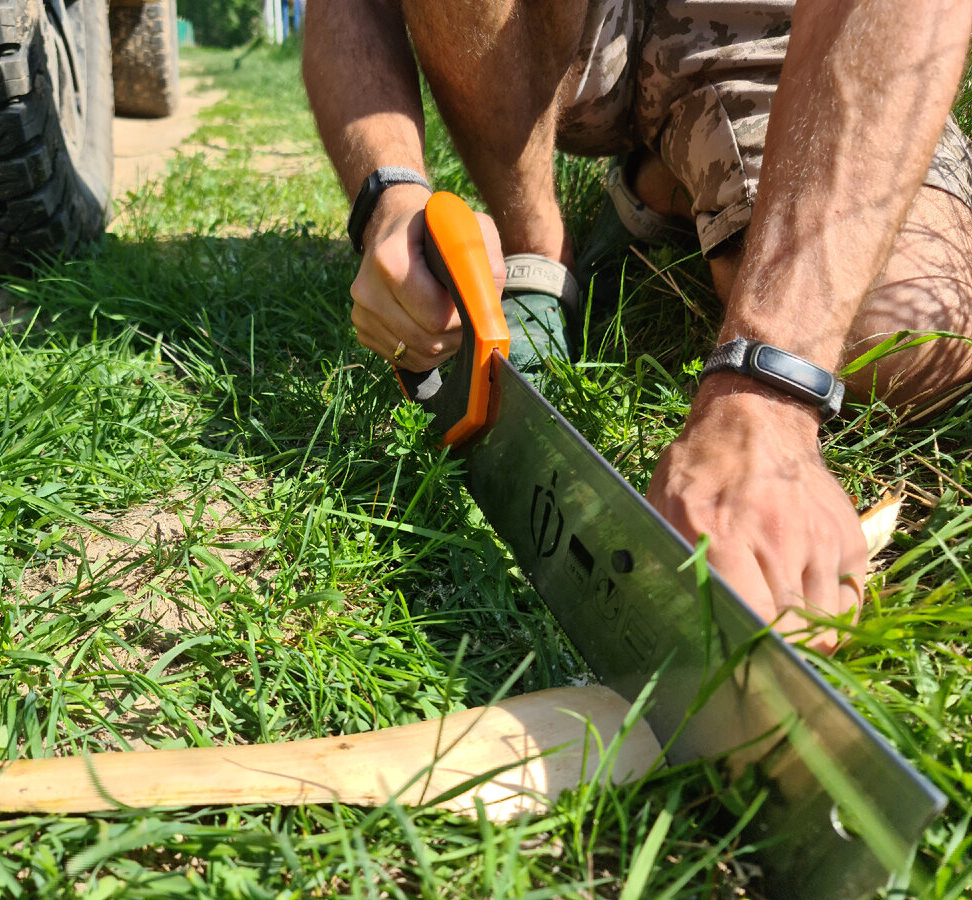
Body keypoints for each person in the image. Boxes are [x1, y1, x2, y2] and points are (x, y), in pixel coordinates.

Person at [302, 0, 972, 652]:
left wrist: (769, 386)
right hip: (565, 32)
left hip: (777, 27)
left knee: (901, 344)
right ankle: (537, 247)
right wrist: (388, 195)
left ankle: (662, 187)